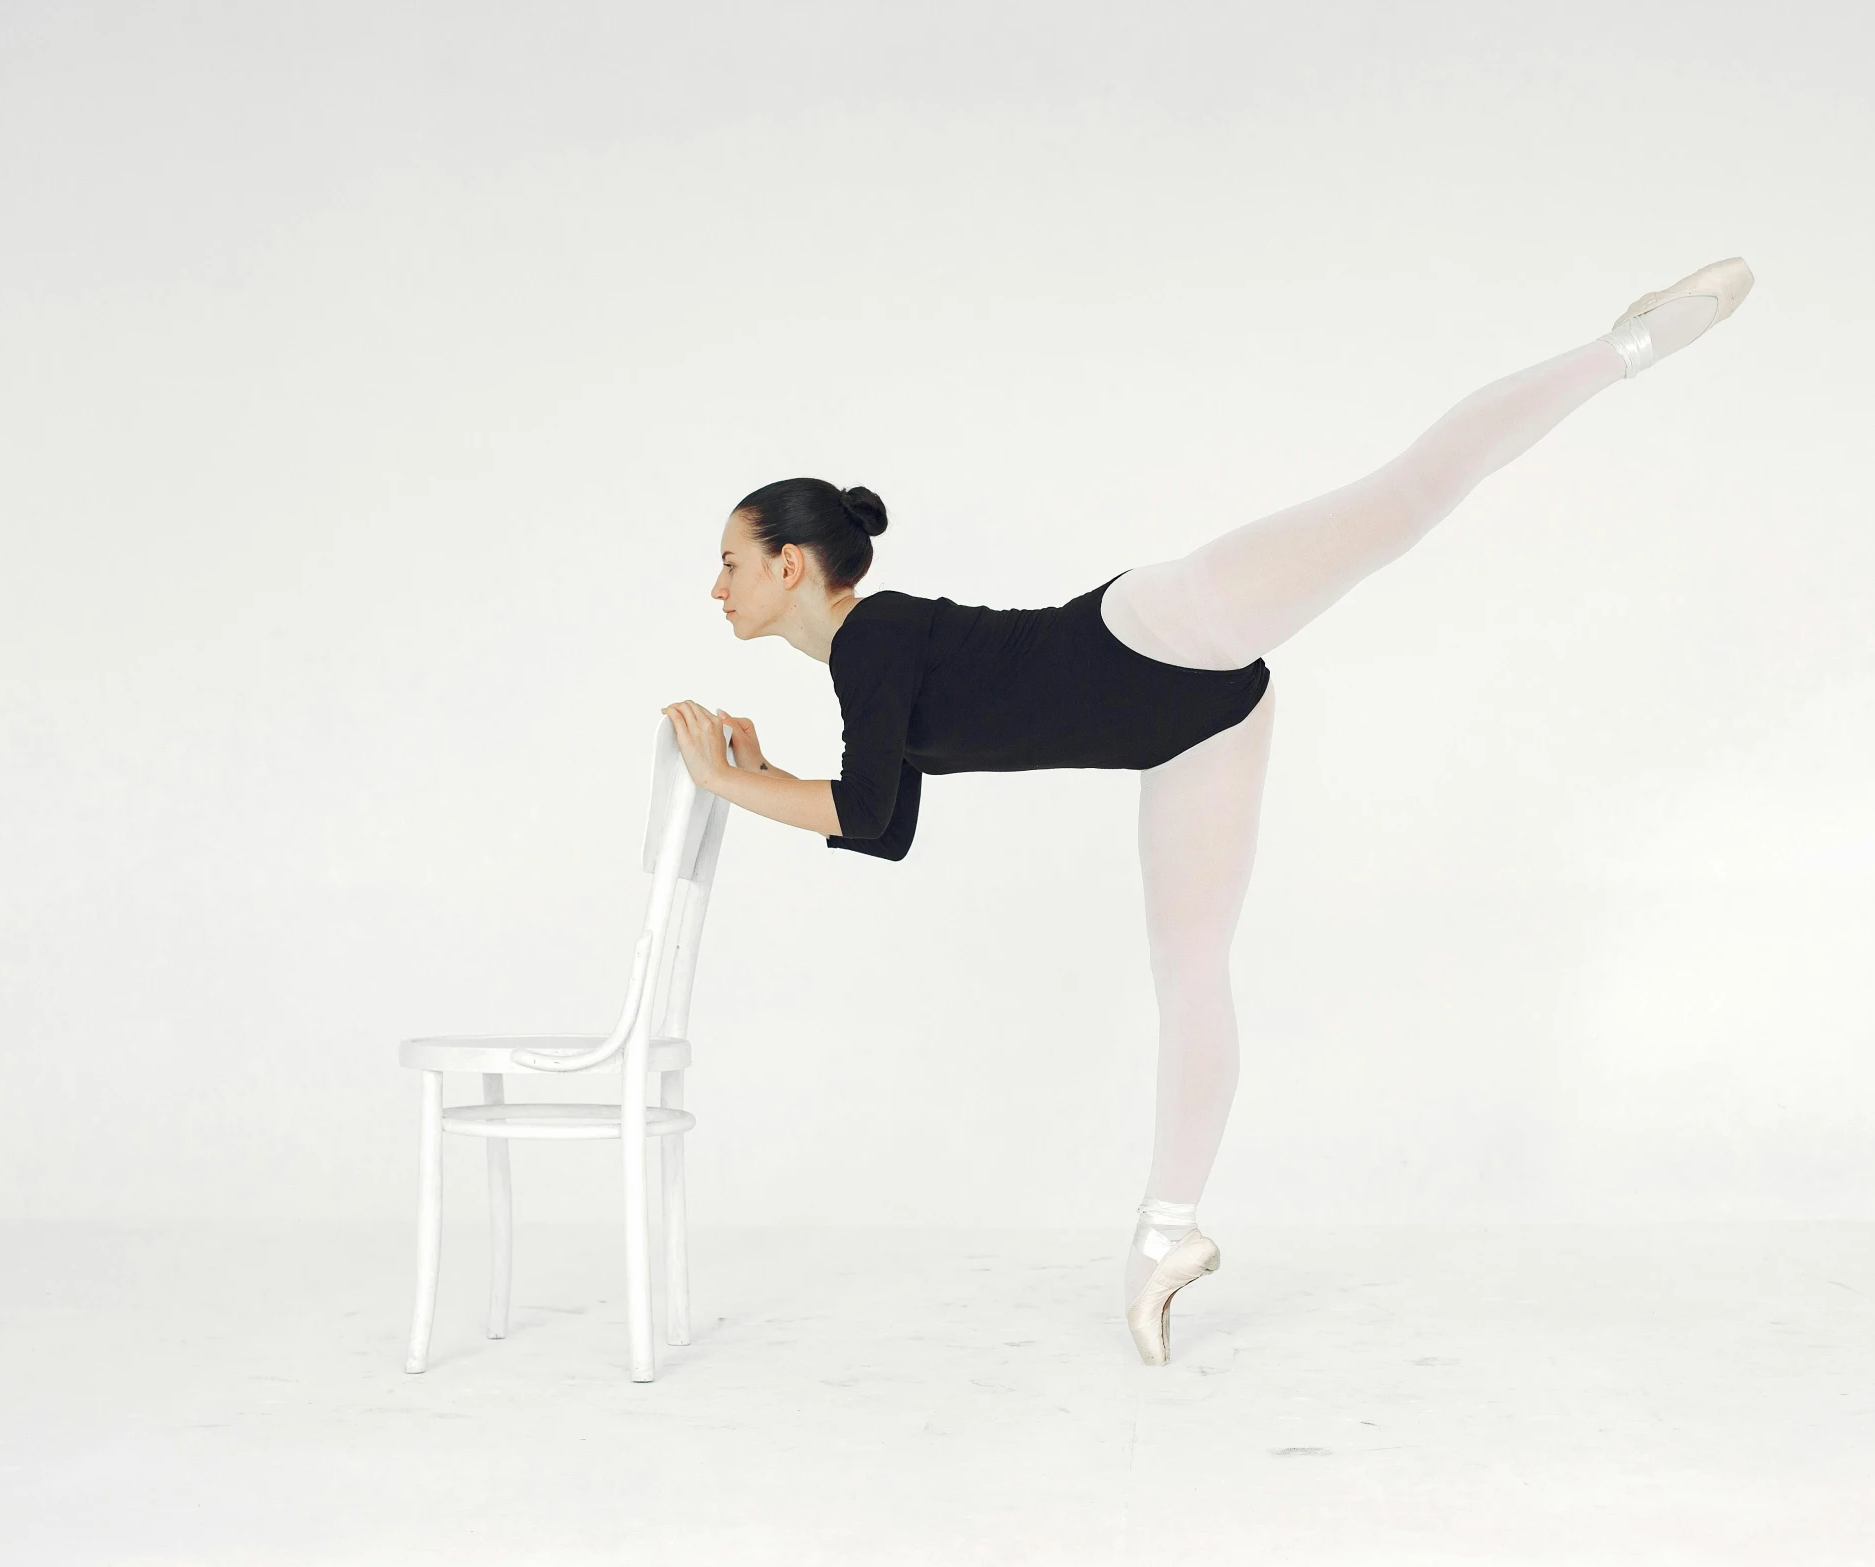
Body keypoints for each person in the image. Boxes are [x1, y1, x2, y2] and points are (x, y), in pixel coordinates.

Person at [661, 258, 1756, 1365]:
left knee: (1400, 503)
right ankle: (1165, 1239)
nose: (716, 587)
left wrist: (733, 784)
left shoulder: (874, 638)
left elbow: (874, 820)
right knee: (1189, 969)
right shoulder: (857, 667)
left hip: (1158, 630)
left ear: (788, 563)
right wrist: (752, 775)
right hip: (1190, 730)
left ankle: (1626, 347)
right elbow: (875, 810)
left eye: (728, 563)